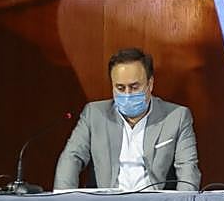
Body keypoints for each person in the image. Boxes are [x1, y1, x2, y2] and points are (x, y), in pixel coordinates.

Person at [54, 48, 200, 191]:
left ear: (150, 84)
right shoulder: (94, 114)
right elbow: (71, 158)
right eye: (120, 88)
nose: (127, 94)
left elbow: (188, 171)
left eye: (134, 87)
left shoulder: (177, 117)